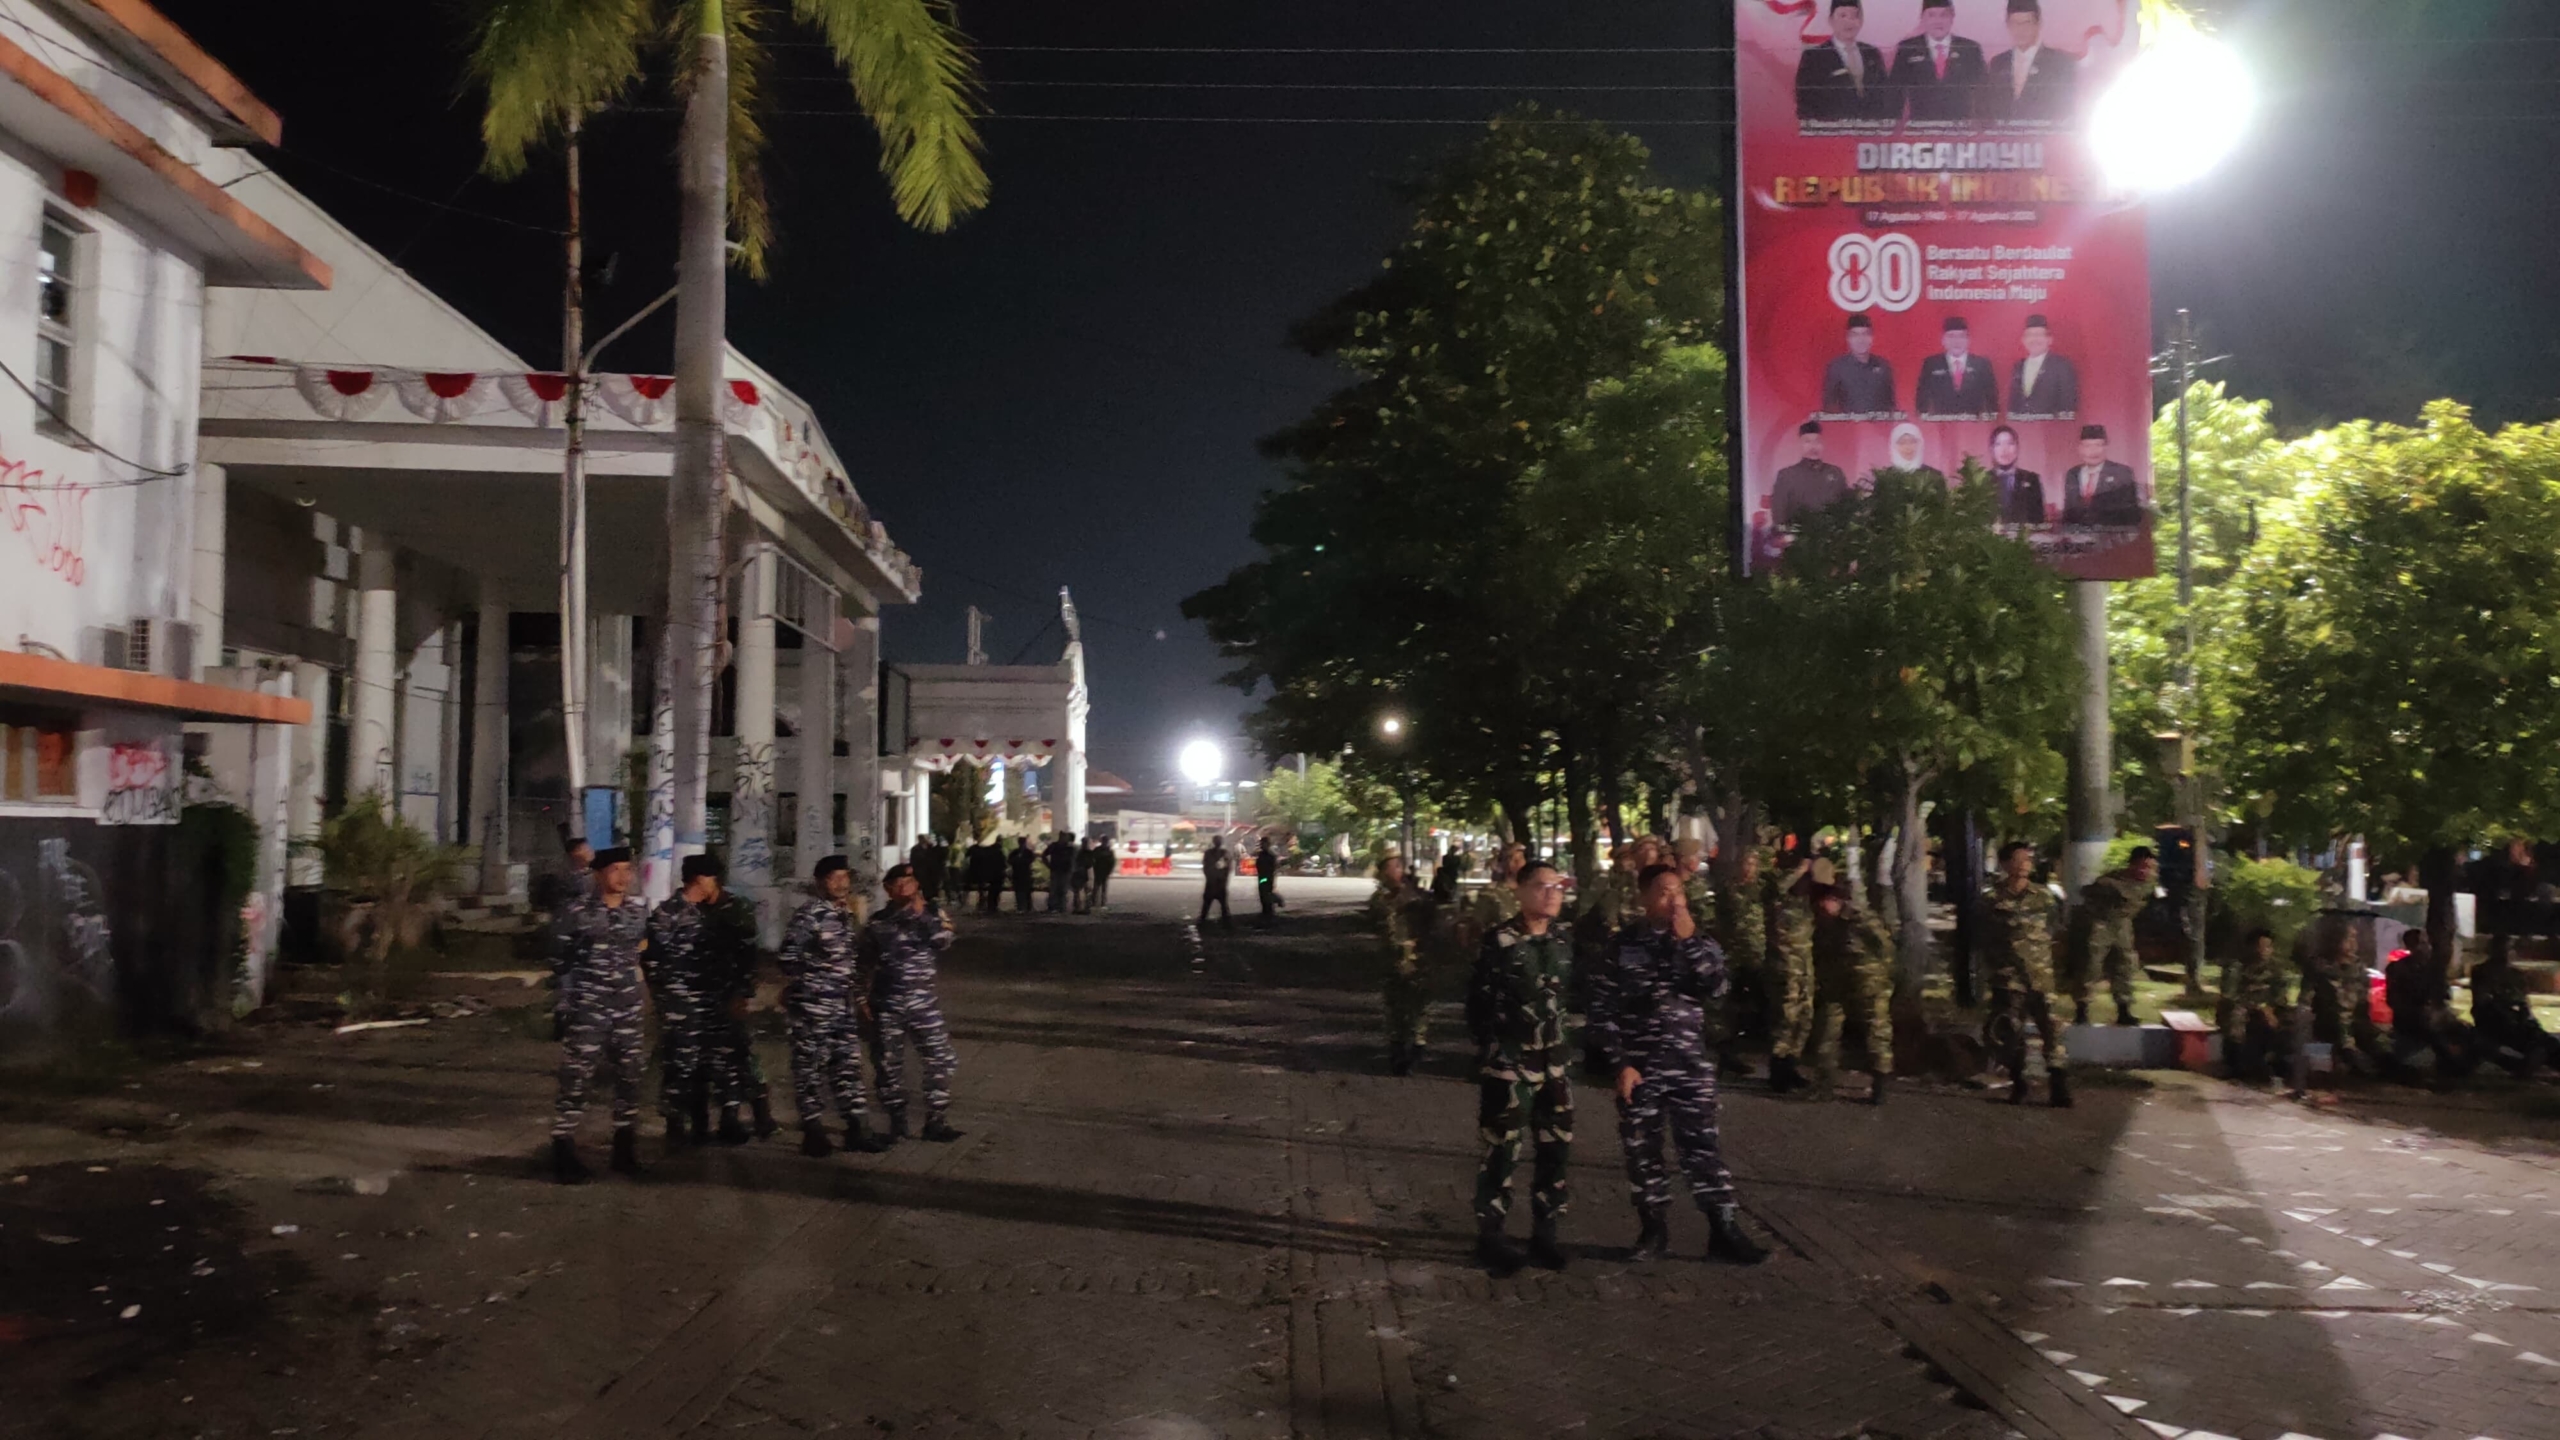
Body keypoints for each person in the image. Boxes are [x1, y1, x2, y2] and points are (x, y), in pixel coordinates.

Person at [1590, 865, 1771, 1264]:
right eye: (1664, 892)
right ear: (1643, 897)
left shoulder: (1700, 941)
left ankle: (1723, 1229)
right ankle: (1653, 1229)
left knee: (1703, 1147)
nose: (1674, 901)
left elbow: (1716, 988)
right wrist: (1620, 1063)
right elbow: (1602, 1010)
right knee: (1642, 1150)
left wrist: (1689, 942)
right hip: (1640, 1067)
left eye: (1679, 892)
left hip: (1689, 1064)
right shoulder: (1622, 945)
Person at [1468, 859, 1577, 1275]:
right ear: (1521, 890)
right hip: (1511, 1067)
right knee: (1502, 1151)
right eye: (1542, 886)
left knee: (1555, 1150)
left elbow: (1571, 997)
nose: (1552, 894)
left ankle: (1545, 1233)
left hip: (1555, 1065)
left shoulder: (1563, 940)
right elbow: (1478, 1002)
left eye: (1558, 887)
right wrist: (1493, 1050)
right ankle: (1491, 1235)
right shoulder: (1500, 941)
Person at [550, 845, 649, 1182]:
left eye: (627, 870)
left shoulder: (637, 912)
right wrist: (567, 1001)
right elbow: (559, 958)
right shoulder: (577, 912)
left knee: (630, 1076)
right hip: (588, 1008)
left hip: (627, 1008)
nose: (622, 877)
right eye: (614, 870)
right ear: (598, 874)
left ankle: (624, 1149)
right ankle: (562, 1148)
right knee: (577, 1077)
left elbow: (642, 952)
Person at [779, 854, 889, 1157]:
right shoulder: (809, 916)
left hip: (842, 1007)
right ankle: (813, 1131)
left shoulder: (845, 915)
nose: (841, 884)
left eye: (845, 877)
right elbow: (787, 959)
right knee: (810, 1069)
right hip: (813, 1008)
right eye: (834, 878)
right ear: (820, 883)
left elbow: (849, 964)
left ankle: (857, 1128)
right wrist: (812, 983)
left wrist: (859, 998)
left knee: (848, 1066)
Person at [861, 861, 964, 1142]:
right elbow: (863, 962)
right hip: (887, 1004)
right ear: (888, 889)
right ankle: (897, 1121)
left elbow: (944, 940)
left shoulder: (933, 914)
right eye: (898, 884)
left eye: (909, 882)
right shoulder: (878, 921)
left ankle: (936, 1120)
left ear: (917, 885)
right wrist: (860, 999)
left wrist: (922, 915)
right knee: (887, 1064)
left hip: (923, 1005)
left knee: (941, 1060)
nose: (905, 888)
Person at [1979, 842, 2071, 1107]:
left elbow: (2056, 930)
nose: (2025, 864)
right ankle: (2018, 1083)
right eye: (2019, 859)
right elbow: (1983, 937)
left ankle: (2059, 1085)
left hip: (2041, 974)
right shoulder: (1991, 899)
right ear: (2005, 864)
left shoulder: (2044, 896)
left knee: (2052, 1029)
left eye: (2028, 859)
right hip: (2008, 978)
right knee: (2010, 1030)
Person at [644, 852, 726, 1146]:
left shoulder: (709, 913)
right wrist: (668, 996)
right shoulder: (669, 913)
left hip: (707, 1000)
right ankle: (675, 1122)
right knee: (679, 1061)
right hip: (679, 1002)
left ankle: (701, 1123)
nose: (715, 884)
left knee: (704, 1063)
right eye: (712, 877)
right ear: (699, 879)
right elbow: (652, 960)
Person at [700, 867, 778, 1143]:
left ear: (715, 879)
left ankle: (761, 1112)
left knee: (743, 1051)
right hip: (706, 994)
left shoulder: (736, 908)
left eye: (703, 879)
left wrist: (743, 992)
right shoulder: (697, 908)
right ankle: (730, 1116)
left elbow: (749, 953)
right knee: (718, 1058)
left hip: (732, 992)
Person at [1811, 879, 1896, 1104]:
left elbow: (1886, 947)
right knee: (1826, 1030)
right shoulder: (1823, 921)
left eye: (1825, 901)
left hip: (1868, 984)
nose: (1821, 906)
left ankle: (1880, 1084)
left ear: (1836, 899)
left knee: (1877, 1031)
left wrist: (1881, 976)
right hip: (1836, 984)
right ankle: (1824, 1084)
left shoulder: (1861, 918)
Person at [2072, 848, 2153, 1025]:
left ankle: (2124, 1009)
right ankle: (2081, 1009)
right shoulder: (2110, 881)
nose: (2145, 871)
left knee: (2124, 966)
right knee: (2091, 966)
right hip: (2101, 923)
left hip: (2123, 925)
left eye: (2148, 867)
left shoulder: (2147, 883)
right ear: (2132, 865)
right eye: (2142, 866)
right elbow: (2088, 892)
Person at [1708, 846, 1767, 1076]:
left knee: (1757, 1006)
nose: (1748, 868)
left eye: (1753, 864)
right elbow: (1720, 917)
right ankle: (1727, 1056)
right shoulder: (1729, 888)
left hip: (1758, 955)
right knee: (1727, 1006)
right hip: (1733, 955)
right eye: (1745, 863)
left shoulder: (1763, 889)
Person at [1764, 857, 1818, 1093]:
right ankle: (1778, 1071)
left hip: (1805, 970)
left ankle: (1791, 1065)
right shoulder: (1778, 901)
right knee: (1785, 1019)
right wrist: (1800, 868)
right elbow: (1777, 887)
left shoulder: (1806, 904)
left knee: (1804, 1019)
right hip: (1784, 969)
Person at [1374, 854, 1431, 1074]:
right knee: (1394, 1008)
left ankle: (1417, 1049)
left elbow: (1428, 922)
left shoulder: (1415, 895)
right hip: (1391, 962)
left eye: (1398, 867)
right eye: (1391, 868)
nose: (1396, 871)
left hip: (1416, 962)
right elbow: (1379, 924)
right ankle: (1397, 1050)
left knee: (1418, 1007)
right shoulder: (1380, 899)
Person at [1796, 0, 1893, 125]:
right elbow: (1805, 103)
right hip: (1831, 132)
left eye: (1854, 16)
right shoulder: (1813, 57)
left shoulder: (1872, 53)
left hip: (1870, 131)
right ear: (1831, 20)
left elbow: (1885, 95)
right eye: (1843, 15)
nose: (1849, 21)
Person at [1892, 0, 1987, 125]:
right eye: (1931, 15)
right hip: (1920, 126)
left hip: (1961, 126)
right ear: (1922, 18)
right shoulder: (1907, 48)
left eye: (1944, 15)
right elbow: (1895, 92)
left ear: (1952, 17)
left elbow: (1983, 91)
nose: (1938, 21)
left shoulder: (1970, 49)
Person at [1985, 0, 2078, 124]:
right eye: (2015, 23)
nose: (2020, 30)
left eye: (2026, 23)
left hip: (2045, 134)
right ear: (2007, 25)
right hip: (2003, 135)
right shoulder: (1998, 63)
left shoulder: (2059, 63)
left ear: (2038, 24)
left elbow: (2064, 110)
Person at [2470, 938, 2554, 1075]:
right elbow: (2482, 1002)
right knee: (2534, 1043)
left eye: (2508, 949)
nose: (2505, 954)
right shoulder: (2481, 972)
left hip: (2516, 1021)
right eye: (2501, 950)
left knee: (2547, 1042)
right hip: (2496, 1021)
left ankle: (2535, 1059)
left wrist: (2528, 1019)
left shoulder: (2517, 975)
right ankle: (2526, 1063)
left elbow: (2524, 1002)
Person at [2222, 929, 2293, 1084]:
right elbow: (2230, 995)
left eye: (2268, 946)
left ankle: (2278, 1061)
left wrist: (2271, 1008)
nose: (2265, 951)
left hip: (2268, 1008)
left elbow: (2280, 994)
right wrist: (2259, 1007)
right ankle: (2236, 1067)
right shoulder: (2236, 966)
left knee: (2292, 1020)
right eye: (2261, 946)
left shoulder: (2275, 967)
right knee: (2236, 1018)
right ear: (2251, 947)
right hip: (2243, 1007)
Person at [1914, 315, 1999, 421]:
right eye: (1951, 336)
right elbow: (1921, 400)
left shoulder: (1982, 364)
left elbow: (1992, 401)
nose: (1956, 341)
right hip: (1940, 424)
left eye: (1961, 336)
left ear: (1968, 340)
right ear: (1943, 340)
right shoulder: (1931, 364)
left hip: (1974, 424)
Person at [1770, 420, 1852, 529]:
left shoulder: (1836, 473)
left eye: (1817, 441)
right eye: (1807, 442)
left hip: (1832, 536)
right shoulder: (1786, 475)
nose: (1813, 447)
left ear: (1823, 444)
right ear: (1800, 444)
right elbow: (1778, 516)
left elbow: (1847, 507)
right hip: (1798, 536)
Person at [2060, 425, 2144, 527]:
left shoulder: (2121, 472)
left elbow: (2130, 513)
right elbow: (2068, 512)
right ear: (2080, 449)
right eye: (2087, 446)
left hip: (2112, 533)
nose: (2093, 451)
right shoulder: (2073, 473)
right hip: (2078, 534)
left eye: (2098, 445)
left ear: (2106, 447)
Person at [1821, 312, 1898, 418]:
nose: (1861, 340)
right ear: (1848, 338)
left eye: (1865, 334)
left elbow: (1890, 405)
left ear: (1872, 337)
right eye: (1855, 335)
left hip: (1879, 426)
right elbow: (1829, 407)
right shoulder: (1837, 368)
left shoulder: (1883, 366)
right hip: (1847, 426)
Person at [2006, 314, 2079, 419]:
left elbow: (2068, 404)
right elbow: (2013, 404)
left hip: (2050, 426)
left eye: (2039, 335)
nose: (2034, 339)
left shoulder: (2062, 366)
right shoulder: (2018, 366)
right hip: (2022, 426)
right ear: (2023, 340)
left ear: (2050, 340)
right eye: (2030, 335)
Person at [1987, 425, 2046, 525]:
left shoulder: (2032, 479)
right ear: (1991, 449)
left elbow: (2038, 520)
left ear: (2017, 448)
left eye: (2010, 444)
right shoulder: (1982, 480)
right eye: (1998, 444)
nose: (2004, 450)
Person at [1200, 836, 1235, 930]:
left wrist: (1211, 876)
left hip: (1214, 883)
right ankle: (1227, 924)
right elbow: (1228, 868)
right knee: (1222, 906)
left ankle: (1203, 922)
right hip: (1218, 883)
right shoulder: (1224, 853)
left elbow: (1206, 867)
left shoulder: (1210, 853)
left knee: (1211, 905)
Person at [1044, 831, 1076, 914]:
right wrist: (1049, 865)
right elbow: (1044, 855)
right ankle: (1053, 907)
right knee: (1054, 889)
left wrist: (1071, 869)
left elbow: (1072, 859)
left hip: (1065, 871)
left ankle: (1061, 907)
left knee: (1063, 889)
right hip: (1056, 870)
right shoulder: (1054, 846)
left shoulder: (1069, 848)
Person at [1257, 834, 1283, 929]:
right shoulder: (1262, 854)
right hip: (1262, 877)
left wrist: (1269, 878)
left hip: (1267, 878)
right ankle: (1267, 914)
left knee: (1266, 896)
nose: (1261, 845)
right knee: (1263, 896)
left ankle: (1270, 914)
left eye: (1263, 843)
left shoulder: (1270, 855)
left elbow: (1273, 868)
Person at [1009, 835, 1037, 912]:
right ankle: (1020, 907)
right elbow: (1010, 861)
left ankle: (1027, 907)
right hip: (1017, 874)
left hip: (1025, 874)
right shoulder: (1015, 852)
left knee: (1027, 891)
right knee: (1018, 891)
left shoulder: (1028, 852)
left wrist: (1020, 860)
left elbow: (1030, 860)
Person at [1089, 836, 1116, 911]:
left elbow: (1093, 858)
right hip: (1102, 871)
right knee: (1101, 888)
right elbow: (1112, 862)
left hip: (1100, 870)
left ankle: (1096, 903)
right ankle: (1101, 903)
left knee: (1098, 887)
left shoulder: (1098, 850)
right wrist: (1110, 870)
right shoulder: (1109, 850)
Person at [1070, 837, 1094, 915]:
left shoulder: (1082, 852)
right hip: (1082, 872)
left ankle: (1083, 907)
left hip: (1084, 871)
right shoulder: (1083, 853)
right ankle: (1080, 907)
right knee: (1079, 891)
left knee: (1085, 890)